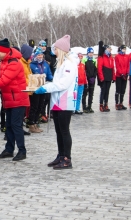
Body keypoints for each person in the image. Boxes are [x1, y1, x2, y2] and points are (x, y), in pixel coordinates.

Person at [34, 35, 77, 169]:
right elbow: (56, 82)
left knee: (64, 131)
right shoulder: (60, 64)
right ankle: (60, 155)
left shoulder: (69, 64)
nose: (54, 51)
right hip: (57, 101)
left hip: (65, 102)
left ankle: (67, 158)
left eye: (56, 49)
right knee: (58, 131)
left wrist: (45, 88)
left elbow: (62, 84)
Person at [29, 47, 53, 132]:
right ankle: (31, 124)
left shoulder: (45, 64)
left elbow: (49, 74)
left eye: (41, 55)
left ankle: (36, 122)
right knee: (34, 106)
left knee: (40, 106)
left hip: (44, 87)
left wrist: (52, 79)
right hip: (35, 88)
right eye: (38, 55)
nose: (40, 57)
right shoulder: (32, 65)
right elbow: (30, 77)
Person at [97, 43, 115, 112]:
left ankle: (106, 104)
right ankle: (101, 104)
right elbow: (100, 68)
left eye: (110, 49)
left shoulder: (110, 57)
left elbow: (113, 68)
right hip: (104, 77)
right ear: (105, 49)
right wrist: (101, 77)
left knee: (107, 91)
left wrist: (113, 77)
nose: (110, 50)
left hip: (109, 76)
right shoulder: (102, 57)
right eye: (108, 48)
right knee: (103, 91)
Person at [81, 47, 97, 113]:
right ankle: (84, 107)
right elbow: (83, 70)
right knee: (85, 93)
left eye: (92, 53)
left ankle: (89, 106)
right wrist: (87, 77)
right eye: (90, 53)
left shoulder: (94, 60)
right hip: (86, 79)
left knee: (91, 93)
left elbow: (96, 69)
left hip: (92, 80)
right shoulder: (84, 60)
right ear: (87, 53)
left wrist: (94, 77)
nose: (91, 54)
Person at [114, 45, 129, 110]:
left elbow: (128, 65)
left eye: (125, 49)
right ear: (120, 49)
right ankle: (117, 103)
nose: (124, 50)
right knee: (118, 89)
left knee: (123, 89)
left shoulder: (127, 56)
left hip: (125, 75)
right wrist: (121, 73)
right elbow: (117, 66)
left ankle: (121, 103)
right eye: (123, 49)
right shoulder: (117, 56)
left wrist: (127, 73)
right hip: (119, 75)